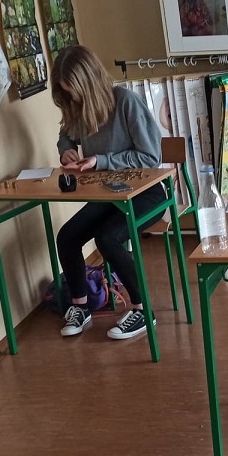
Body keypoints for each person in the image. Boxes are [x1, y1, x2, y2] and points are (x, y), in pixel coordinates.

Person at [52, 45, 167, 341]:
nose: (73, 99)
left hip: (147, 192)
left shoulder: (126, 101)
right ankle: (81, 307)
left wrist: (100, 161)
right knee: (67, 237)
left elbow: (150, 157)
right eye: (67, 94)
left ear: (89, 83)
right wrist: (66, 150)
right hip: (110, 195)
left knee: (108, 238)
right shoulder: (78, 107)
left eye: (75, 92)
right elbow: (66, 133)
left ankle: (143, 310)